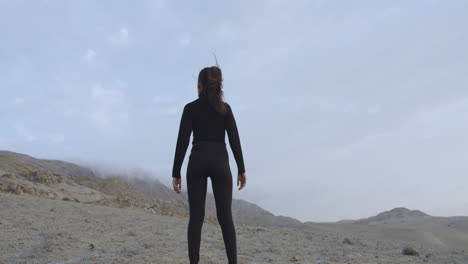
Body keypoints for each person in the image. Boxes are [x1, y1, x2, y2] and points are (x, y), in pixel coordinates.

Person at [171, 65, 247, 264]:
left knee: (196, 218)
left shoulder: (190, 109)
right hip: (220, 163)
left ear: (199, 85)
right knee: (225, 218)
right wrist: (241, 168)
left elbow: (183, 141)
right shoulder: (225, 109)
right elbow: (234, 140)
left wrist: (176, 171)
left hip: (197, 162)